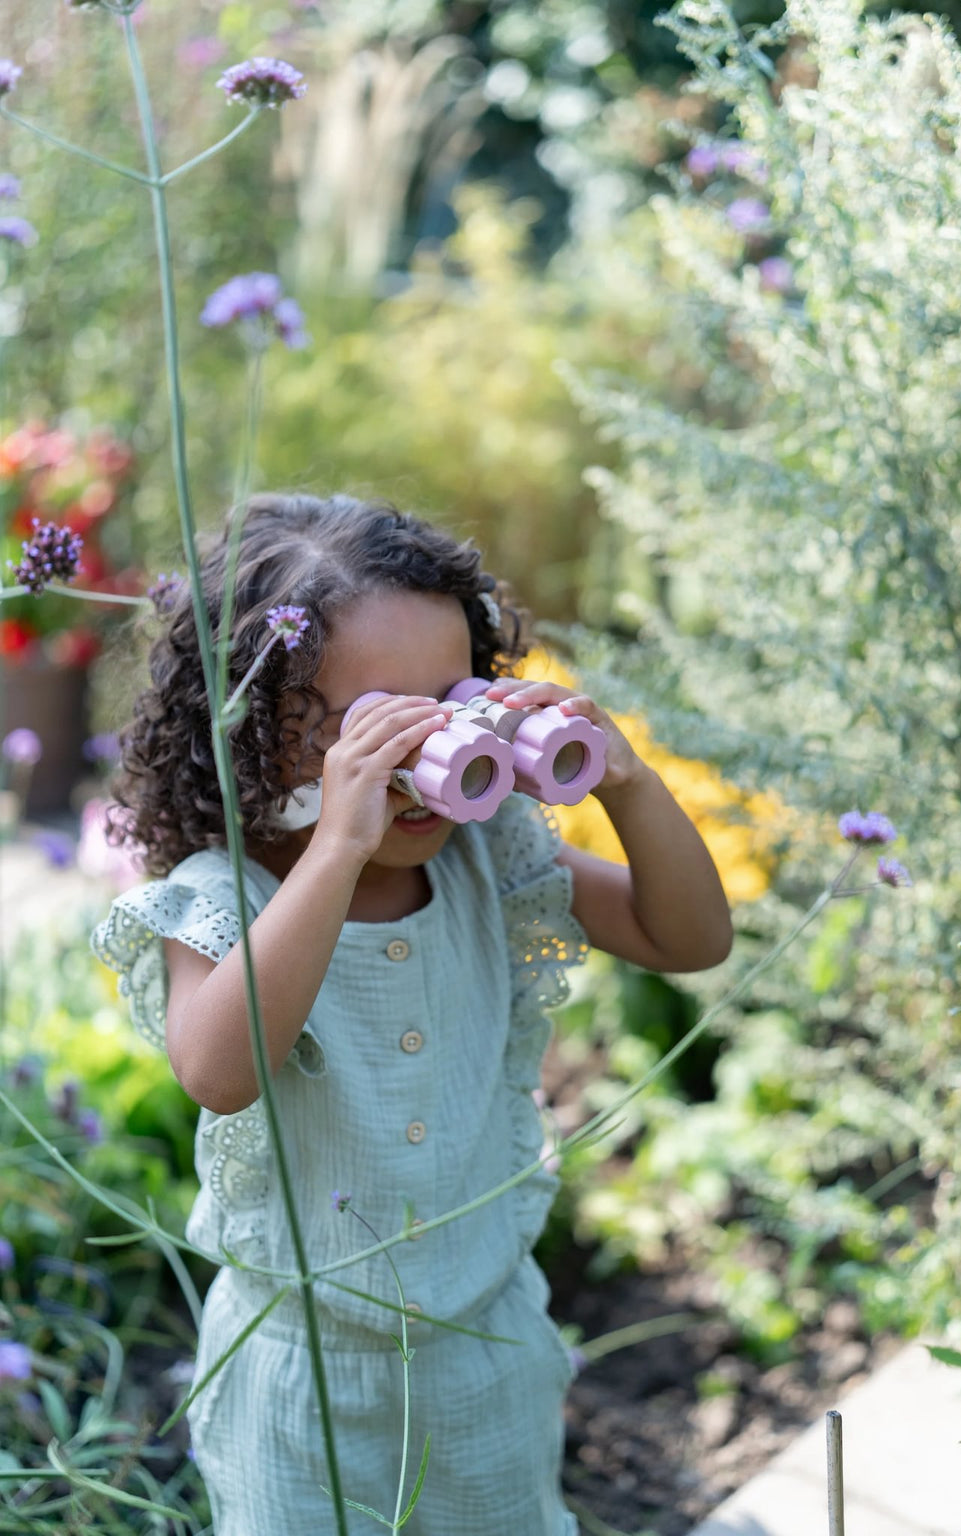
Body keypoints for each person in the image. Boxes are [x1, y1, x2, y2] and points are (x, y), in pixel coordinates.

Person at [92, 492, 732, 1536]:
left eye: (451, 703)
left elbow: (688, 940)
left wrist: (624, 783)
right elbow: (219, 1071)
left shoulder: (491, 858)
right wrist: (338, 845)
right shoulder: (224, 899)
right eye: (379, 725)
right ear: (250, 725)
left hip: (486, 1348)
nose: (426, 751)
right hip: (300, 1376)